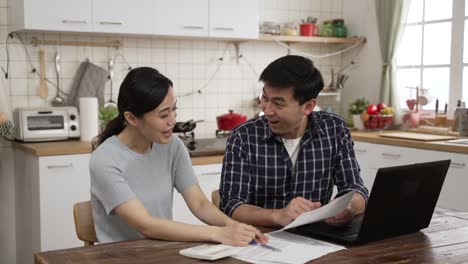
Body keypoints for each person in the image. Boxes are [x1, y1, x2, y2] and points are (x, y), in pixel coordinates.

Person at [90, 67, 267, 246]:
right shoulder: (105, 159)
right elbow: (146, 225)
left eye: (174, 110)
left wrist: (236, 228)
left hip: (162, 251)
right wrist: (218, 233)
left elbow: (199, 204)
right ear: (132, 118)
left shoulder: (172, 146)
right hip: (119, 257)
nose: (173, 120)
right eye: (164, 115)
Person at [219, 55, 369, 227]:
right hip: (260, 238)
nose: (267, 110)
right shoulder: (243, 137)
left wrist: (349, 207)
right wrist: (277, 215)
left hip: (317, 237)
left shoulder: (334, 129)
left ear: (308, 107)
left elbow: (356, 189)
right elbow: (231, 205)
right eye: (265, 98)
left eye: (278, 103)